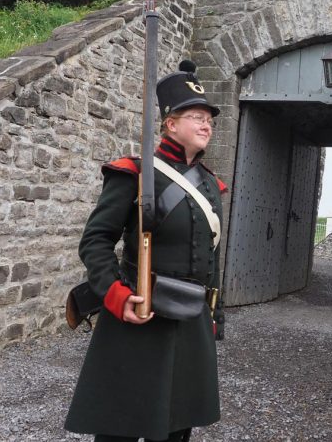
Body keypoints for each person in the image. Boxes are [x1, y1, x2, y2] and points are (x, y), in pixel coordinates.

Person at [65, 60, 226, 442]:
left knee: (176, 426)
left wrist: (214, 313)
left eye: (210, 120)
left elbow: (211, 255)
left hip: (190, 320)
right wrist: (117, 296)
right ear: (171, 124)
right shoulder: (134, 173)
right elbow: (95, 241)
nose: (207, 125)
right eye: (197, 117)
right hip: (140, 313)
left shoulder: (210, 185)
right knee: (120, 426)